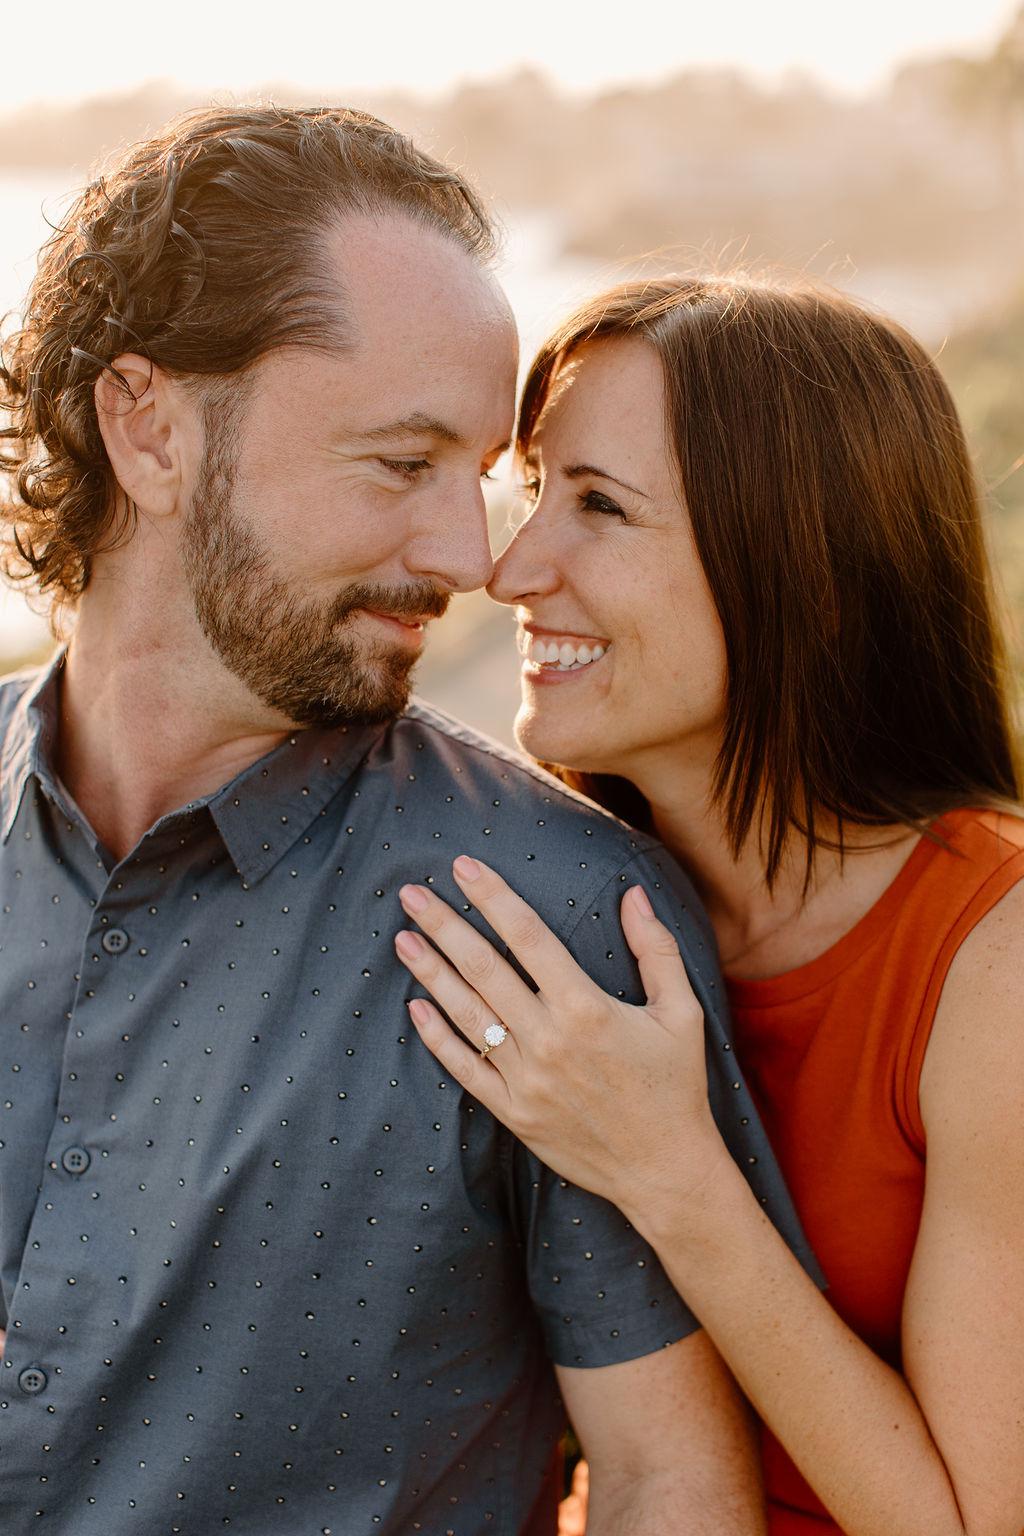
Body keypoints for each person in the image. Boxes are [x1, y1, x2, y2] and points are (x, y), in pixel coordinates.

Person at [0, 111, 816, 1535]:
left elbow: (665, 1482)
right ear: (150, 426)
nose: (470, 556)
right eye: (400, 465)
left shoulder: (560, 918)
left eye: (479, 475)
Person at [394, 276, 1024, 1536]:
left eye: (599, 507)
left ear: (799, 563)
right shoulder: (560, 907)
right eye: (532, 494)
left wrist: (671, 1169)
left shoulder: (989, 964)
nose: (511, 570)